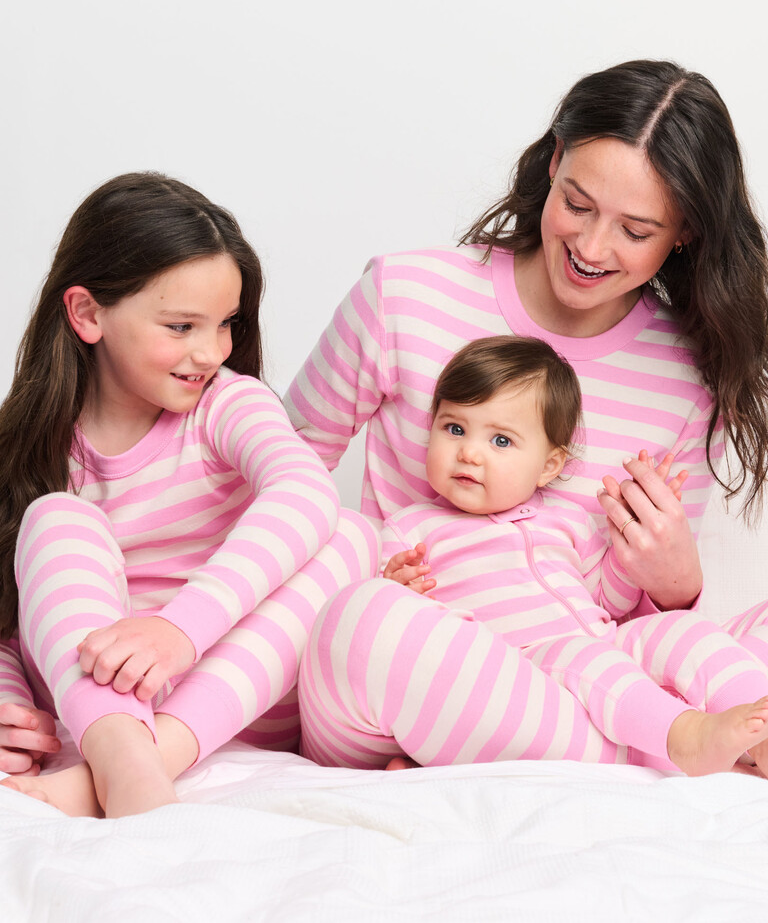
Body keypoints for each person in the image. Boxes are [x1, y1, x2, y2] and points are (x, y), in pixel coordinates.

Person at [284, 58, 768, 627]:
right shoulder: (403, 296)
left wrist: (678, 585)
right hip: (401, 658)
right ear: (556, 160)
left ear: (685, 230)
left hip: (575, 684)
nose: (591, 246)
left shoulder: (688, 381)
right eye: (577, 205)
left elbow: (642, 631)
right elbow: (282, 481)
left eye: (635, 231)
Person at [0, 172, 380, 816]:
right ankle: (119, 750)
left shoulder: (228, 404)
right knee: (54, 519)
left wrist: (179, 632)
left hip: (231, 699)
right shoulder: (33, 444)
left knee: (350, 534)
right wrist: (8, 704)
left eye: (225, 324)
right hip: (93, 706)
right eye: (180, 326)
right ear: (87, 314)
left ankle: (136, 769)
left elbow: (304, 491)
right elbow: (12, 627)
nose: (210, 352)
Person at [297, 336, 768, 775]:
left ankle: (757, 725)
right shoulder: (412, 527)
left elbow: (608, 597)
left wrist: (634, 540)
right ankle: (680, 735)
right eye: (454, 428)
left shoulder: (568, 521)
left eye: (500, 440)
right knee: (584, 658)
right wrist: (396, 581)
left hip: (605, 643)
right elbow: (408, 624)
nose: (469, 454)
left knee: (683, 629)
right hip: (528, 670)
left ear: (549, 466)